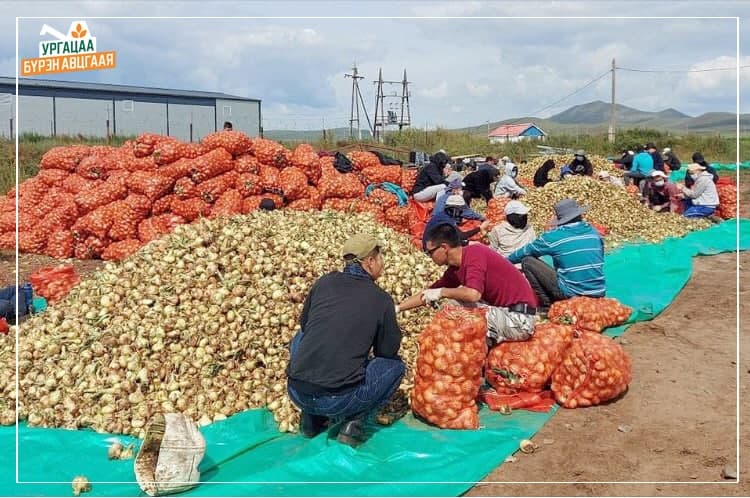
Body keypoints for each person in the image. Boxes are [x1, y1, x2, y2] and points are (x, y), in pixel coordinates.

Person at [286, 234, 404, 447]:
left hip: (296, 392)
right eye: (379, 258)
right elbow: (386, 352)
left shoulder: (324, 282)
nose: (382, 263)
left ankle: (310, 419)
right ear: (369, 262)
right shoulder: (381, 299)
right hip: (338, 401)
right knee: (395, 367)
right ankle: (353, 425)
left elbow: (304, 325)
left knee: (300, 337)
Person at [397, 224, 538, 346]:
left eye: (430, 252)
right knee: (453, 304)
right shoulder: (455, 269)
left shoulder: (475, 254)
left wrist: (442, 292)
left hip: (520, 320)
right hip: (504, 313)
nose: (429, 256)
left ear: (444, 247)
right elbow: (427, 293)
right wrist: (397, 308)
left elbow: (473, 294)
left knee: (452, 306)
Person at [507, 199, 605, 311]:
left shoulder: (553, 237)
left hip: (572, 294)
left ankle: (547, 305)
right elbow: (600, 257)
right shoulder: (594, 232)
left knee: (527, 261)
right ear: (579, 215)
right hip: (599, 292)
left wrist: (505, 261)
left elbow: (525, 251)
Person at [422, 194, 488, 249]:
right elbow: (462, 236)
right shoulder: (445, 220)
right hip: (431, 248)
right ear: (454, 210)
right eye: (460, 210)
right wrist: (479, 228)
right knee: (472, 245)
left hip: (434, 243)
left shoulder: (444, 215)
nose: (461, 213)